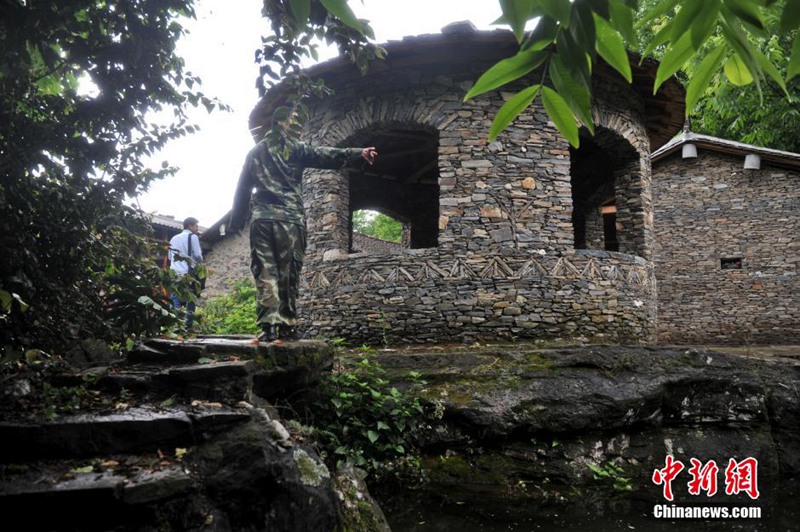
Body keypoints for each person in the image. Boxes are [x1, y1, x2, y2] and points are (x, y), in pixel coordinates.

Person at [229, 115, 377, 342]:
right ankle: (287, 327)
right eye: (293, 122)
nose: (298, 127)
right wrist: (358, 153)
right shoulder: (294, 148)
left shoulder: (255, 153)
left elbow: (242, 189)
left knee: (265, 272)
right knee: (289, 272)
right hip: (289, 218)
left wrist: (237, 222)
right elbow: (324, 154)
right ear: (279, 123)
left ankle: (268, 326)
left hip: (261, 219)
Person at [168, 216, 204, 328]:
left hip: (173, 272)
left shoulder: (173, 238)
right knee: (190, 298)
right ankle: (187, 325)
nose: (197, 228)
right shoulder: (193, 237)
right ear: (190, 226)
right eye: (196, 226)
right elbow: (198, 256)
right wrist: (199, 263)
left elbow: (170, 257)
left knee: (175, 297)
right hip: (187, 272)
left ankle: (176, 323)